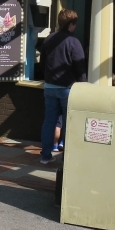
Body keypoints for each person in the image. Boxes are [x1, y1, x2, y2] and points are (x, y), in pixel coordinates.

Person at [40, 9, 86, 165]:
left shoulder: (48, 39)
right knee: (70, 121)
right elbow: (79, 66)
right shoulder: (74, 42)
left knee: (49, 121)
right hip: (67, 88)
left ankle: (45, 155)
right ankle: (68, 157)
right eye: (75, 24)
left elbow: (42, 62)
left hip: (49, 87)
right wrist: (83, 84)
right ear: (71, 24)